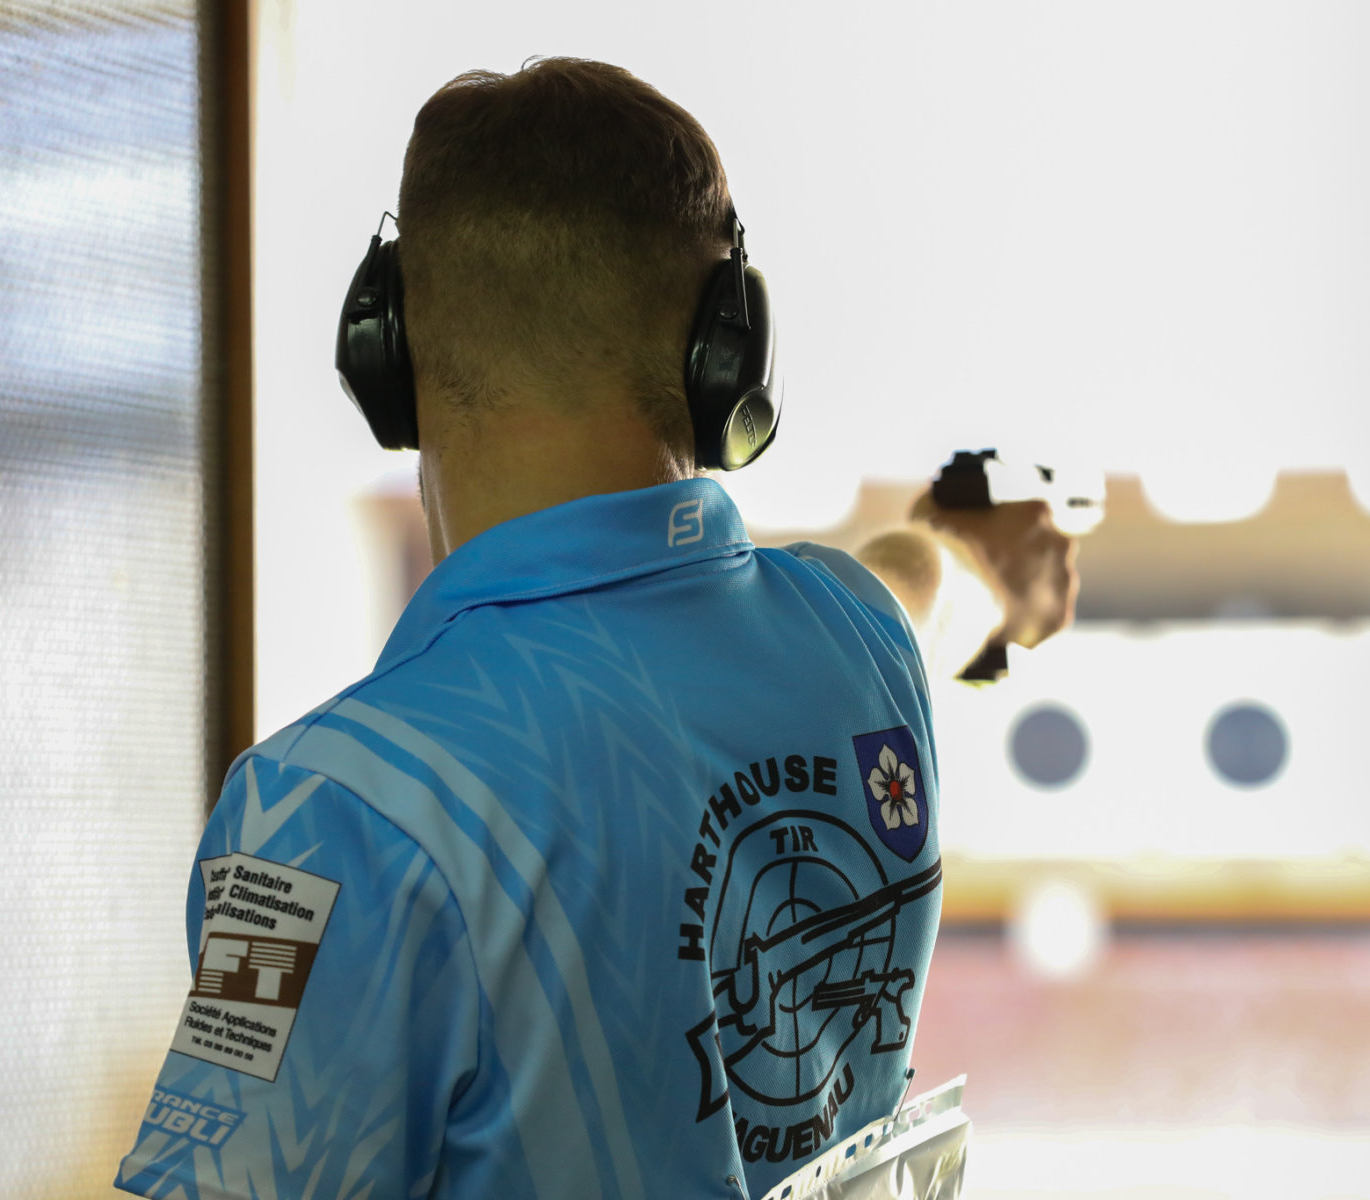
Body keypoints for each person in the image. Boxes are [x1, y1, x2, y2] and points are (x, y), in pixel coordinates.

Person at [114, 58, 1072, 1200]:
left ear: (387, 352)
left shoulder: (338, 817)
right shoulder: (857, 640)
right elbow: (928, 584)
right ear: (726, 358)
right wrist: (997, 567)